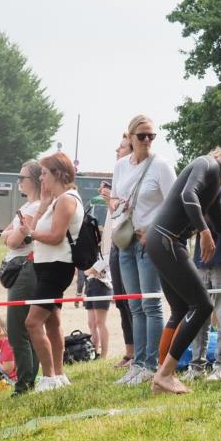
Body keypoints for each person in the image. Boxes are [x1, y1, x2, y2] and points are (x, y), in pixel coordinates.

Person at [146, 135, 221, 395]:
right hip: (167, 239)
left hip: (161, 240)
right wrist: (203, 231)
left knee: (179, 309)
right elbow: (189, 194)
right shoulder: (207, 165)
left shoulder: (217, 181)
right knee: (203, 305)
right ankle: (165, 375)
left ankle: (161, 375)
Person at [109, 116, 176, 386]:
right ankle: (137, 363)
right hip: (126, 241)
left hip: (150, 242)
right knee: (134, 305)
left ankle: (152, 363)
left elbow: (173, 204)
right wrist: (118, 211)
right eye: (142, 136)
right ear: (131, 136)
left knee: (151, 304)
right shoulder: (121, 166)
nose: (147, 140)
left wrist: (153, 231)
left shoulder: (161, 166)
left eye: (151, 136)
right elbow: (114, 197)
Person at [18, 152, 84, 392]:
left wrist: (31, 234)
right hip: (47, 267)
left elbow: (55, 237)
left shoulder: (67, 199)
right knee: (53, 322)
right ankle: (59, 374)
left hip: (57, 267)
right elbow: (34, 229)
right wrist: (43, 206)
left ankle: (48, 378)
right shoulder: (56, 200)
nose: (41, 178)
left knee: (32, 322)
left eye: (44, 173)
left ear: (57, 174)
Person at [188, 182, 221, 382]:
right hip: (201, 264)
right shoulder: (198, 196)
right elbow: (190, 226)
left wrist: (210, 216)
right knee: (198, 317)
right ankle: (196, 365)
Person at [0, 161, 42, 394]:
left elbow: (14, 240)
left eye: (22, 176)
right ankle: (28, 380)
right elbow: (5, 235)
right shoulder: (27, 207)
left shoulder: (35, 208)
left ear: (34, 179)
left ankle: (25, 383)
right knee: (25, 328)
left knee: (17, 330)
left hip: (26, 269)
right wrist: (11, 235)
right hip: (21, 267)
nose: (19, 181)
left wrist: (11, 236)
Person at [101, 134, 135, 368]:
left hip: (130, 243)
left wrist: (113, 201)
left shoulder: (133, 176)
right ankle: (129, 352)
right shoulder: (119, 173)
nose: (117, 149)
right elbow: (115, 216)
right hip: (115, 244)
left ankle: (140, 353)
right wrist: (108, 201)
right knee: (121, 301)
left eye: (121, 146)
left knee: (135, 302)